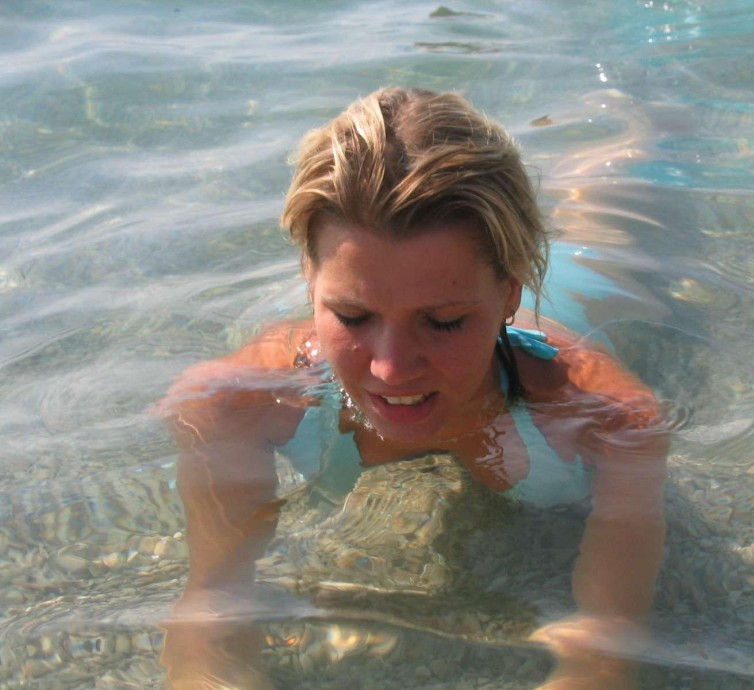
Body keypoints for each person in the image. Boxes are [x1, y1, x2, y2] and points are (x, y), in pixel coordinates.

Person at [157, 87, 668, 690]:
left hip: (591, 282)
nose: (391, 370)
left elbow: (604, 649)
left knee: (615, 198)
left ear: (510, 294)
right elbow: (212, 608)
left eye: (444, 321)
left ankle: (637, 121)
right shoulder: (231, 404)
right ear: (309, 275)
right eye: (351, 316)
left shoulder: (609, 419)